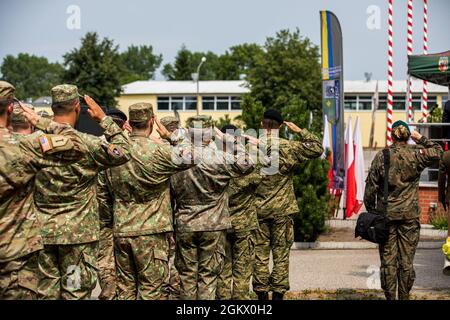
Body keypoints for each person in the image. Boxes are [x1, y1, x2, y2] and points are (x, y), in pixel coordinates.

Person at [34, 84, 132, 300]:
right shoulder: (89, 145)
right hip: (76, 240)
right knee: (74, 291)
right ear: (77, 107)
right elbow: (123, 152)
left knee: (45, 294)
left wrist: (38, 122)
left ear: (53, 107)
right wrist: (104, 120)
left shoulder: (33, 144)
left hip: (43, 234)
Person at [0, 81, 92, 299]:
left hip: (44, 237)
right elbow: (76, 144)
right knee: (75, 291)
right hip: (18, 253)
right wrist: (39, 120)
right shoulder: (26, 146)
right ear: (11, 108)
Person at [98, 103, 196, 300]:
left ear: (129, 123)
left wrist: (109, 223)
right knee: (151, 290)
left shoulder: (114, 153)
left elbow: (102, 194)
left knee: (125, 290)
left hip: (122, 230)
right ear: (152, 121)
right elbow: (192, 156)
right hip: (152, 233)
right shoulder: (159, 152)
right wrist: (170, 137)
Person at [170, 115, 254, 300]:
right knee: (208, 277)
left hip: (185, 223)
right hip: (214, 225)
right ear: (210, 136)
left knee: (187, 277)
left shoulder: (176, 157)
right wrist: (232, 142)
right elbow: (248, 163)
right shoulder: (219, 158)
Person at [365, 120, 442, 300]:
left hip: (387, 217)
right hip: (409, 217)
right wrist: (421, 138)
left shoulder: (382, 156)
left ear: (392, 135)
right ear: (408, 137)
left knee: (388, 262)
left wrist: (373, 214)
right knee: (406, 262)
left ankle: (391, 297)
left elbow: (370, 190)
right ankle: (404, 296)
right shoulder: (416, 154)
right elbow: (439, 152)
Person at [253, 109, 323, 300]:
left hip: (258, 211)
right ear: (281, 126)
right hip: (282, 211)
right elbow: (317, 148)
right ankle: (277, 297)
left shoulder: (251, 147)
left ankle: (261, 298)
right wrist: (300, 131)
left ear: (262, 124)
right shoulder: (289, 147)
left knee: (259, 255)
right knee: (281, 255)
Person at [216, 125, 262, 300]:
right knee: (242, 270)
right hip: (244, 224)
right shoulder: (249, 163)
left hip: (221, 222)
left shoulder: (215, 162)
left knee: (222, 270)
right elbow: (259, 178)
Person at [96, 107, 130, 300]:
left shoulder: (94, 146)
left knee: (106, 264)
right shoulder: (131, 148)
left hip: (102, 219)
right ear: (124, 125)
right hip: (130, 218)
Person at [159, 115, 183, 299]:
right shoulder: (182, 150)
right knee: (176, 260)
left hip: (160, 214)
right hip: (180, 212)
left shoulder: (158, 149)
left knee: (160, 259)